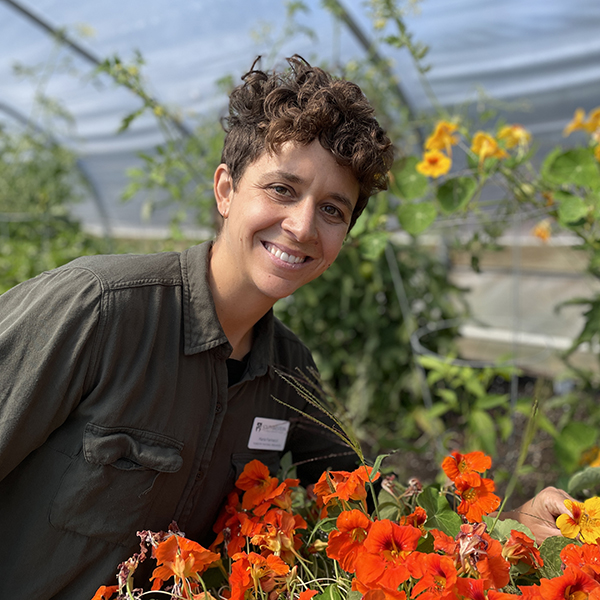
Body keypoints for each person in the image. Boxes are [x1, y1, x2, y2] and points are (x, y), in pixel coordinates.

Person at [0, 56, 571, 599]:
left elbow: (369, 515)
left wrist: (505, 527)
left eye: (332, 210)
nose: (301, 226)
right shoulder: (99, 309)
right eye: (282, 189)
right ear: (225, 189)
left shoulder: (288, 374)